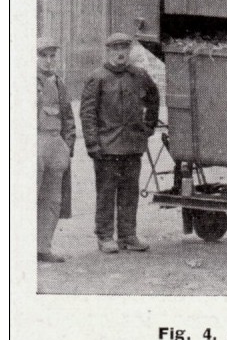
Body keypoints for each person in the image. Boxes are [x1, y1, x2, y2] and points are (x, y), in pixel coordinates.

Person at [80, 33, 160, 253]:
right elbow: (87, 114)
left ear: (129, 51)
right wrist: (93, 145)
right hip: (107, 147)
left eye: (124, 48)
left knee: (129, 193)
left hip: (132, 146)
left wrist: (148, 127)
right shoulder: (98, 78)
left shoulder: (138, 75)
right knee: (106, 193)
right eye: (116, 49)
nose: (120, 53)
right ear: (108, 51)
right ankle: (105, 236)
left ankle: (128, 235)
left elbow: (153, 97)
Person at [37, 36, 76, 263]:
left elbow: (68, 119)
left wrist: (66, 147)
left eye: (52, 56)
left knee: (52, 200)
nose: (48, 61)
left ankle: (43, 247)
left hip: (55, 145)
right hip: (32, 144)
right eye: (43, 55)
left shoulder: (58, 83)